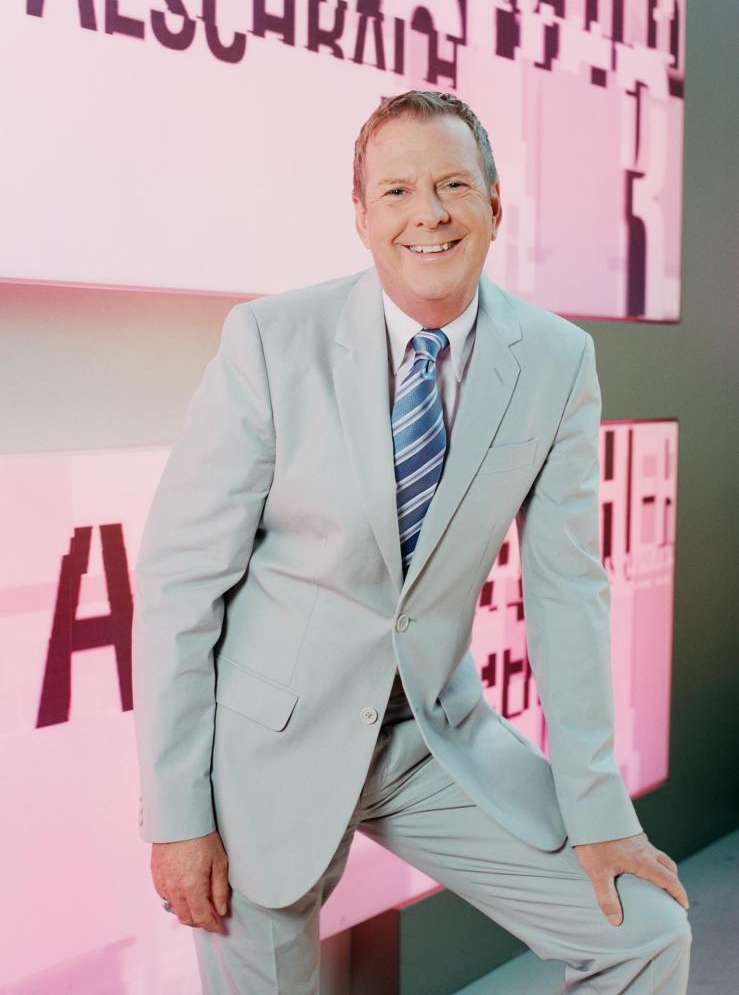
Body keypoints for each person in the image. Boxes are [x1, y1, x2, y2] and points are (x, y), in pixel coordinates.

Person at [132, 90, 691, 993]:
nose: (426, 213)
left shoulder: (556, 359)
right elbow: (178, 585)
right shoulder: (271, 340)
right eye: (395, 191)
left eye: (452, 186)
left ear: (494, 205)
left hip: (428, 738)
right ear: (361, 216)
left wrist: (599, 813)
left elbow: (566, 590)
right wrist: (177, 815)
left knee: (646, 932)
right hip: (263, 748)